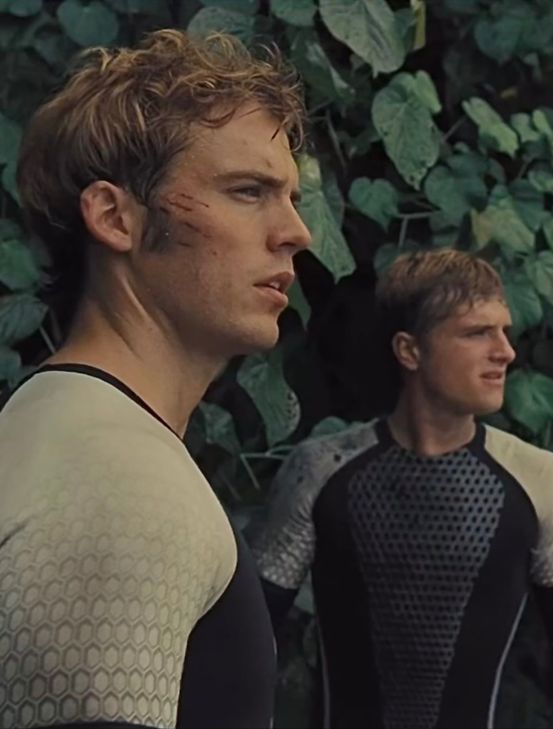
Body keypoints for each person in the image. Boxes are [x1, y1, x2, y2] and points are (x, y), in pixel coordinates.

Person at [0, 29, 310, 729]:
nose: (296, 231)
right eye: (249, 191)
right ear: (116, 217)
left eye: (291, 197)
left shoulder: (60, 428)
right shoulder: (121, 483)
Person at [252, 249, 553, 729]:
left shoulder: (537, 480)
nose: (505, 350)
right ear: (410, 351)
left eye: (504, 331)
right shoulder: (320, 472)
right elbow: (245, 642)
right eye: (477, 333)